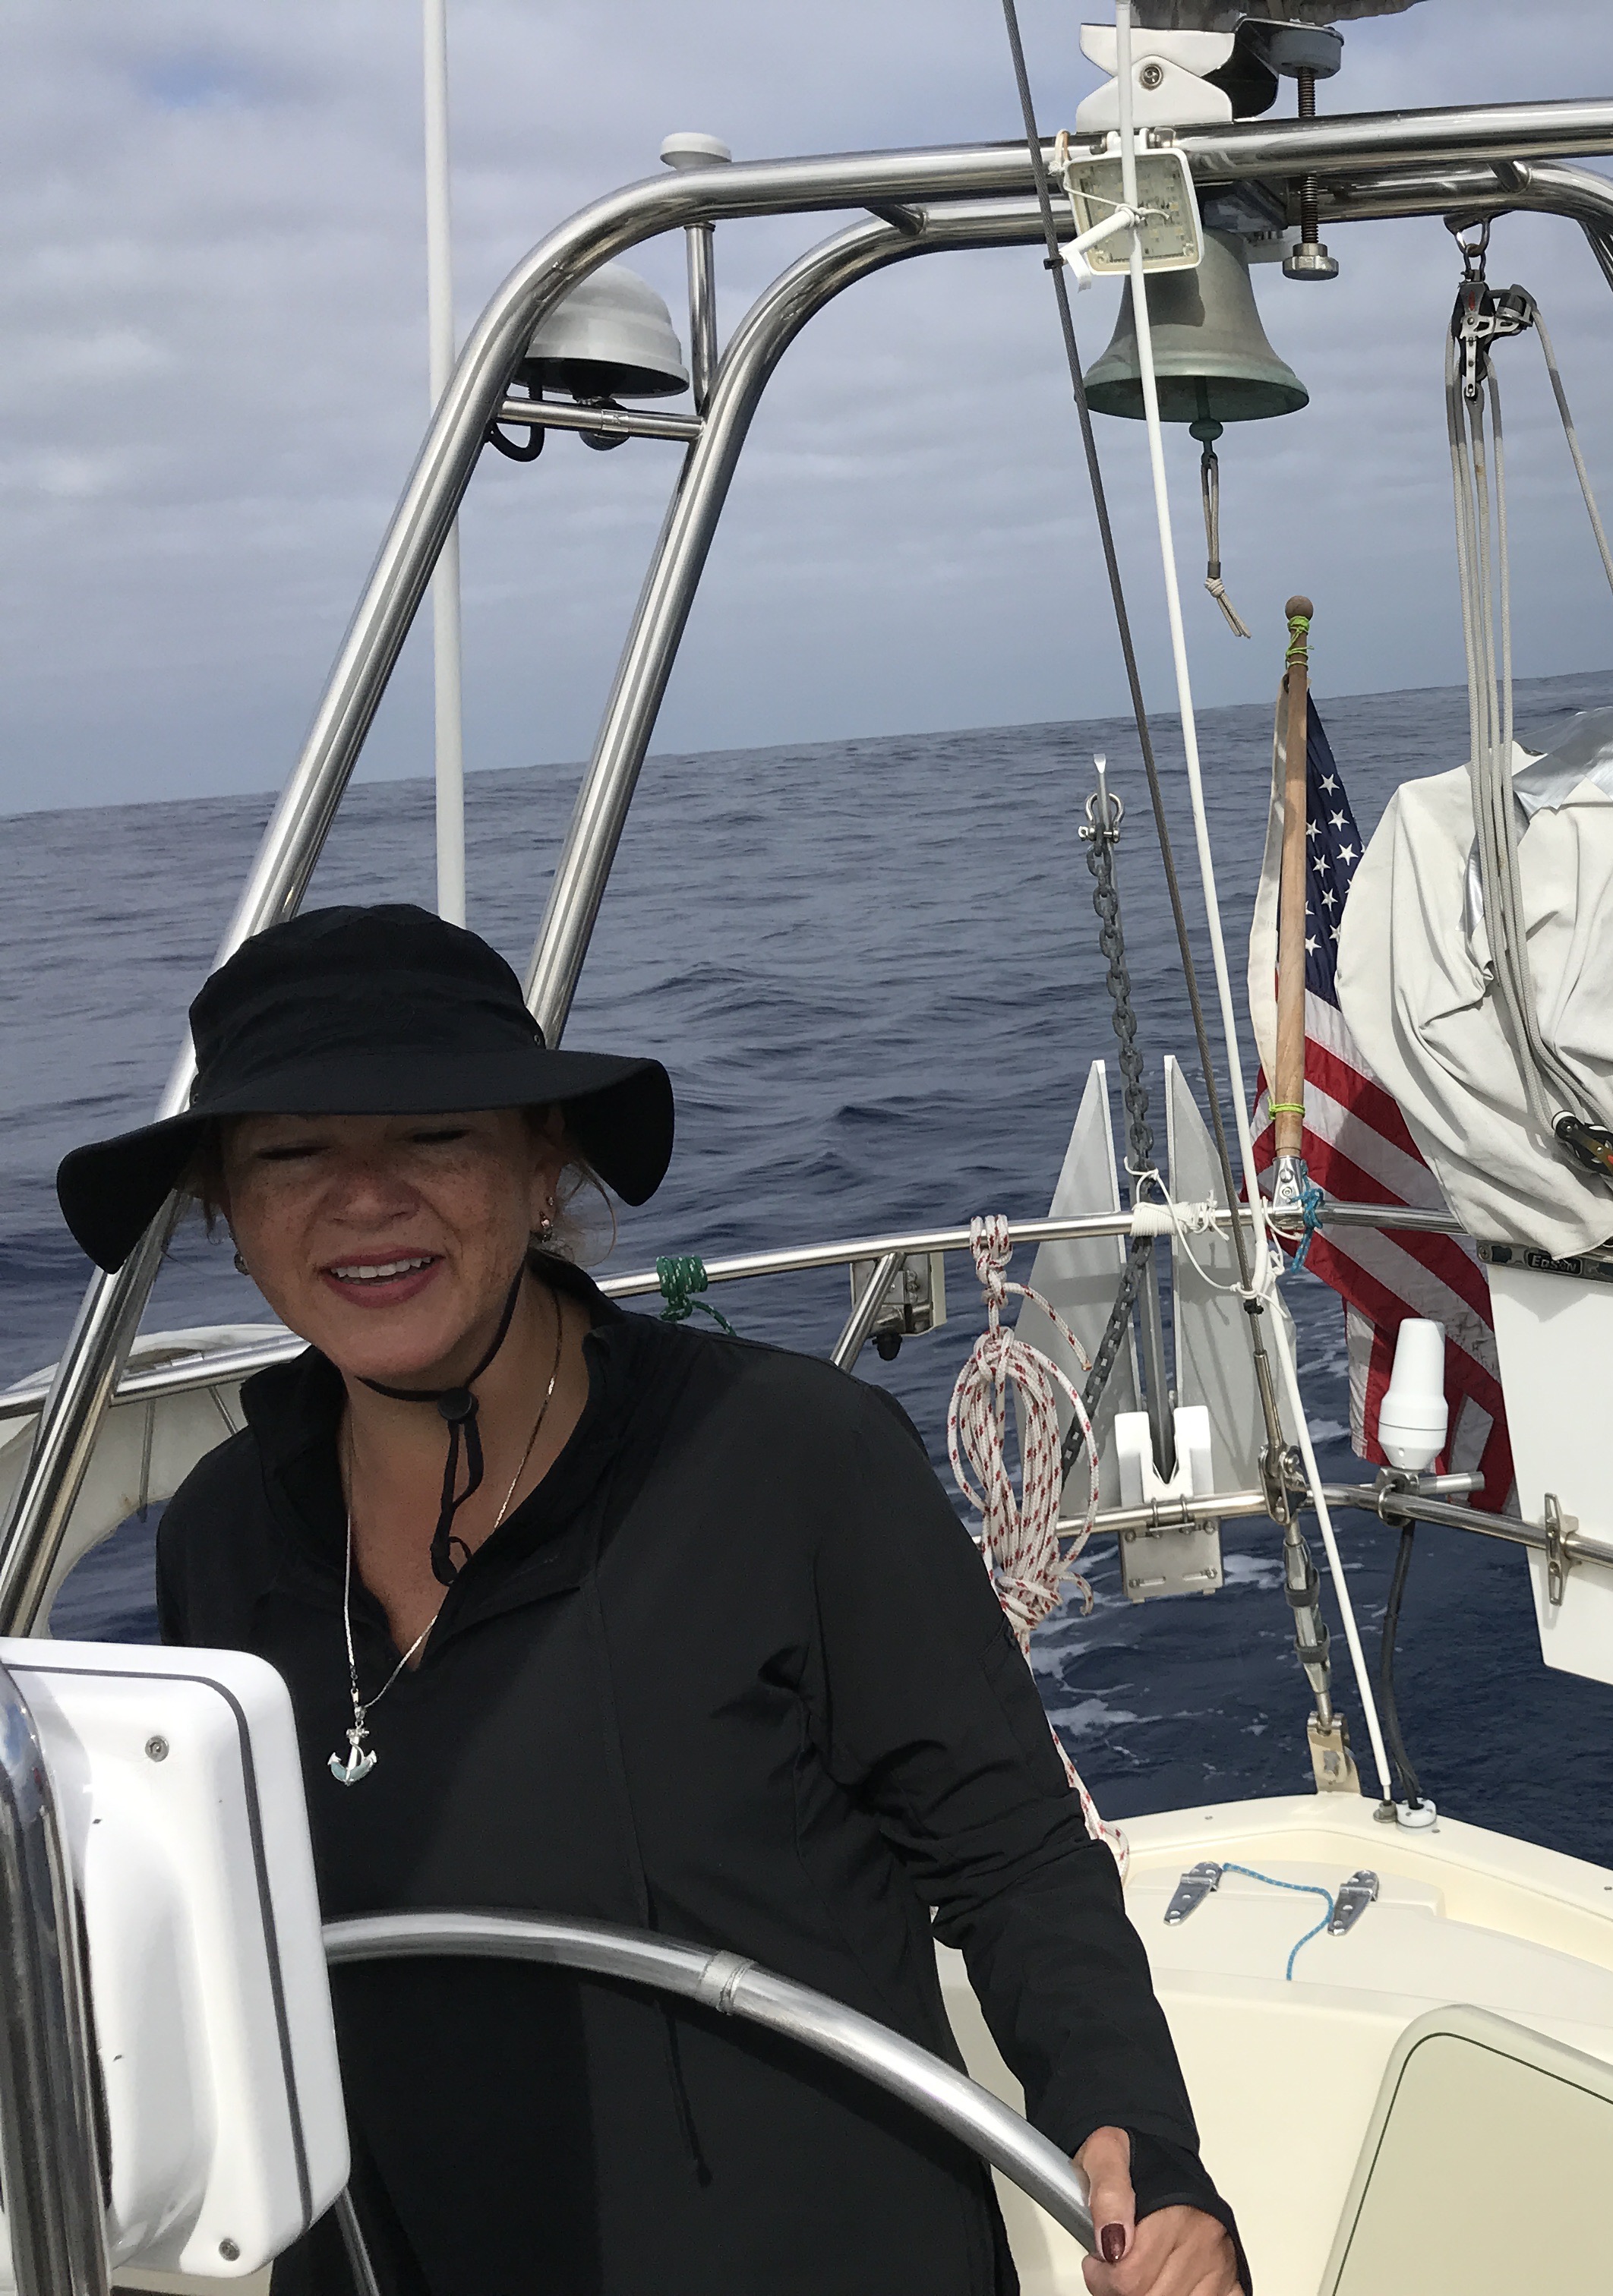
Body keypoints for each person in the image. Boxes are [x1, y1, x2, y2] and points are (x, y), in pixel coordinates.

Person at [53, 904, 1243, 2296]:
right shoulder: (222, 1535)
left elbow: (1015, 1861)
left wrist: (1144, 2154)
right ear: (225, 1209)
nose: (363, 1198)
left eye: (434, 1135)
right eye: (290, 1152)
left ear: (541, 1161)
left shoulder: (793, 1461)